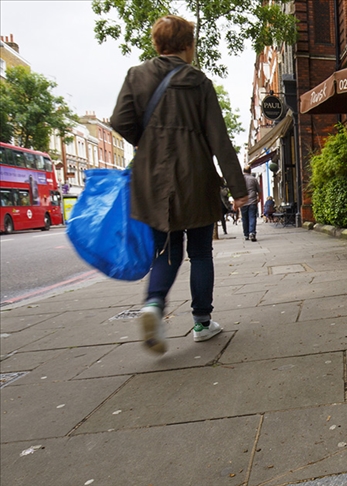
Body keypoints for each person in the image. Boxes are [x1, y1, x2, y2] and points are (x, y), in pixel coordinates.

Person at [110, 15, 249, 355]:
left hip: (152, 178)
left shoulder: (136, 75)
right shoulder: (197, 81)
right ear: (189, 45)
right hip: (194, 176)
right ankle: (202, 322)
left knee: (167, 249)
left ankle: (153, 305)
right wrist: (238, 189)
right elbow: (220, 139)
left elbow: (120, 121)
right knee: (200, 251)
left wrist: (149, 141)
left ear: (157, 45)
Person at [240, 166, 260, 241]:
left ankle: (246, 234)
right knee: (252, 217)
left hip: (243, 202)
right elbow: (259, 190)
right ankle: (252, 233)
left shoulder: (240, 179)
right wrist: (259, 198)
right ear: (250, 171)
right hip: (252, 201)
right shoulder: (253, 179)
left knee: (244, 218)